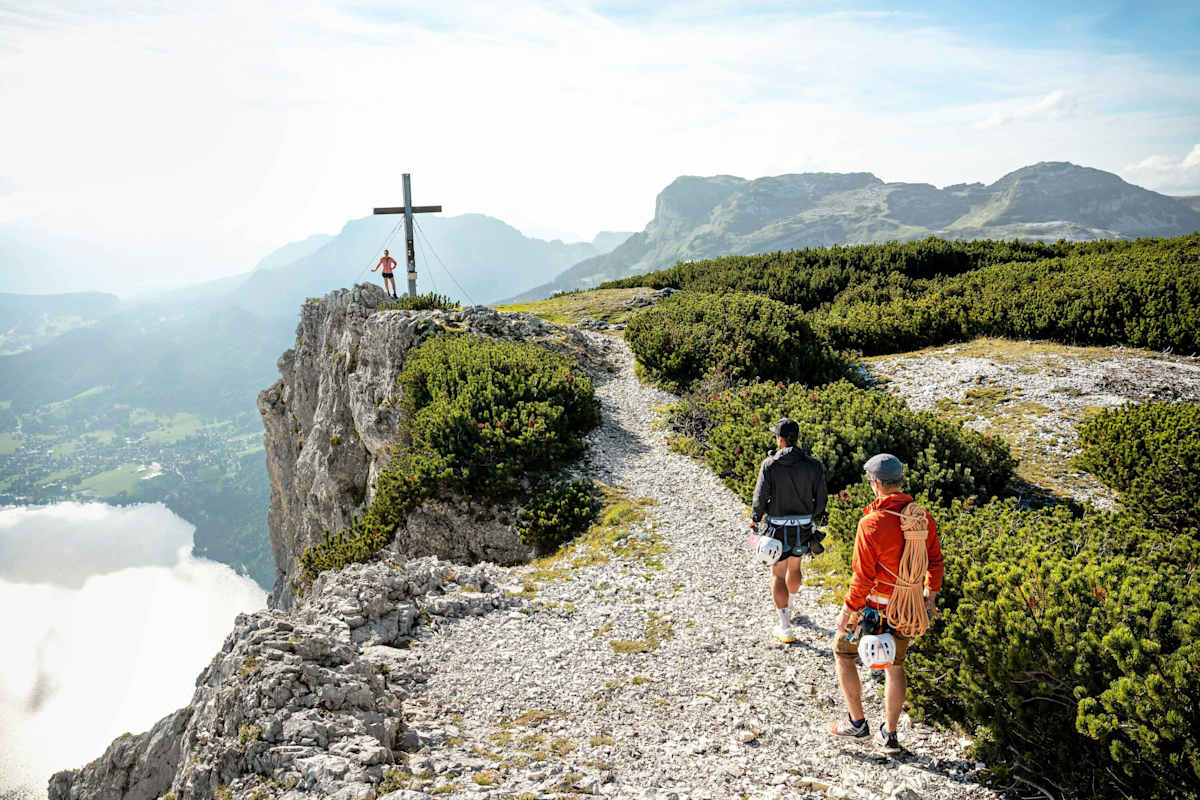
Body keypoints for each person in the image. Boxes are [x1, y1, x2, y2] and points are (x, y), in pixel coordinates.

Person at [831, 453, 944, 753]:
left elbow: (863, 577)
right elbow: (935, 561)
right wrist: (930, 596)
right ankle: (890, 734)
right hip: (907, 608)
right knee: (895, 666)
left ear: (877, 484)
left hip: (872, 607)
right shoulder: (921, 518)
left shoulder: (871, 523)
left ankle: (857, 723)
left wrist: (847, 611)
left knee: (842, 652)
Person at [750, 418, 828, 643]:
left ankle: (784, 626)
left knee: (777, 574)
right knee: (795, 567)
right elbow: (821, 498)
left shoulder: (770, 464)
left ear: (781, 440)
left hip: (777, 527)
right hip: (804, 526)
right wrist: (813, 516)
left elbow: (760, 496)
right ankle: (790, 606)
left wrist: (755, 519)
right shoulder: (813, 465)